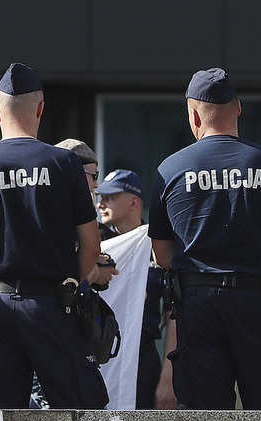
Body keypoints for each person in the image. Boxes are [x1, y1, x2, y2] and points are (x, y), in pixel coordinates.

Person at [0, 63, 112, 409]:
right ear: (41, 109)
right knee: (75, 409)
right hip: (53, 305)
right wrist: (74, 279)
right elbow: (91, 244)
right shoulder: (64, 164)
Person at [149, 68, 261, 409]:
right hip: (260, 301)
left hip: (198, 304)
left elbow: (162, 253)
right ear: (239, 108)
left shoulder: (170, 169)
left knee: (206, 410)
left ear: (193, 115)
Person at [96, 169, 176, 409]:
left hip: (143, 354)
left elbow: (173, 314)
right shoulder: (94, 243)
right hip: (100, 351)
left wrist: (168, 378)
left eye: (109, 197)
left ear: (133, 201)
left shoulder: (157, 246)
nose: (101, 204)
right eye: (100, 196)